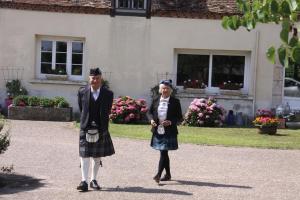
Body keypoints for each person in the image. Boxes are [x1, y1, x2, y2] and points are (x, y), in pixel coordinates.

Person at [76, 67, 115, 192]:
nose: (95, 81)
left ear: (101, 79)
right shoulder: (82, 91)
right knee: (84, 154)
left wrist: (102, 124)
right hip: (86, 126)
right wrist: (86, 121)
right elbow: (82, 108)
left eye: (97, 78)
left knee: (97, 155)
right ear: (89, 79)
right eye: (93, 78)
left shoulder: (108, 94)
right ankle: (84, 181)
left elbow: (107, 110)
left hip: (101, 127)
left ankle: (93, 180)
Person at [147, 79, 182, 183]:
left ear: (170, 90)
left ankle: (158, 175)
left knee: (163, 152)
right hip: (157, 130)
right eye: (163, 88)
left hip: (169, 131)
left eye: (167, 88)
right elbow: (149, 113)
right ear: (160, 90)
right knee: (164, 152)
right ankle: (168, 175)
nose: (165, 90)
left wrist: (170, 122)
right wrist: (151, 120)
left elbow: (179, 117)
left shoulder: (175, 102)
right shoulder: (155, 100)